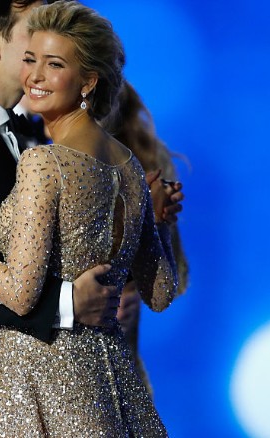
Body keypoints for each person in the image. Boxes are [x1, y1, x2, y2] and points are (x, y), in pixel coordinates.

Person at [0, 1, 178, 435]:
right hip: (87, 387)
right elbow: (162, 291)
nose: (34, 72)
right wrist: (152, 224)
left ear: (87, 82)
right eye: (30, 53)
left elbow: (20, 290)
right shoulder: (124, 164)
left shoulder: (45, 158)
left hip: (35, 387)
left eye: (51, 63)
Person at [109, 80, 190, 394]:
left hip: (118, 374)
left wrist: (153, 224)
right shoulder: (27, 151)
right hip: (37, 376)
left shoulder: (145, 162)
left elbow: (174, 278)